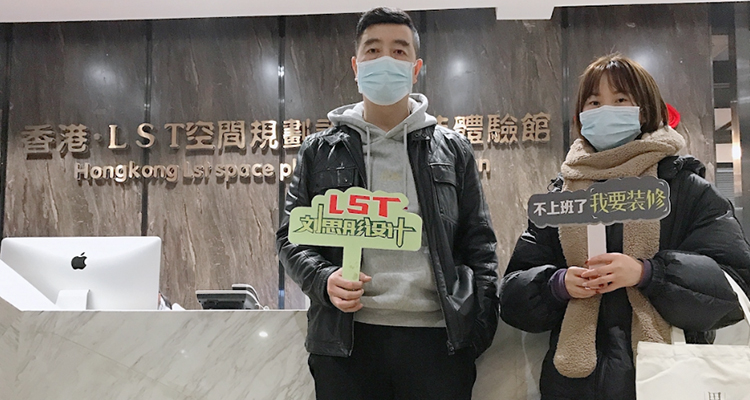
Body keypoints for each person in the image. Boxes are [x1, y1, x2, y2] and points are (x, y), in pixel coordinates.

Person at [276, 7, 499, 400]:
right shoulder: (318, 151)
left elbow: (479, 244)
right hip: (348, 344)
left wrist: (476, 328)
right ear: (356, 66)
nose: (385, 60)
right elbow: (291, 237)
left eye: (399, 51)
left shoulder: (453, 149)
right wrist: (324, 279)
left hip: (438, 343)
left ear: (415, 69)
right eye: (373, 50)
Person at [499, 53, 750, 400]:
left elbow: (734, 288)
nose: (605, 110)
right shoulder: (561, 196)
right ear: (581, 115)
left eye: (620, 100)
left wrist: (650, 274)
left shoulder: (686, 190)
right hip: (574, 385)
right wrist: (556, 285)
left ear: (644, 110)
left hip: (668, 381)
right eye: (594, 102)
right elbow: (512, 296)